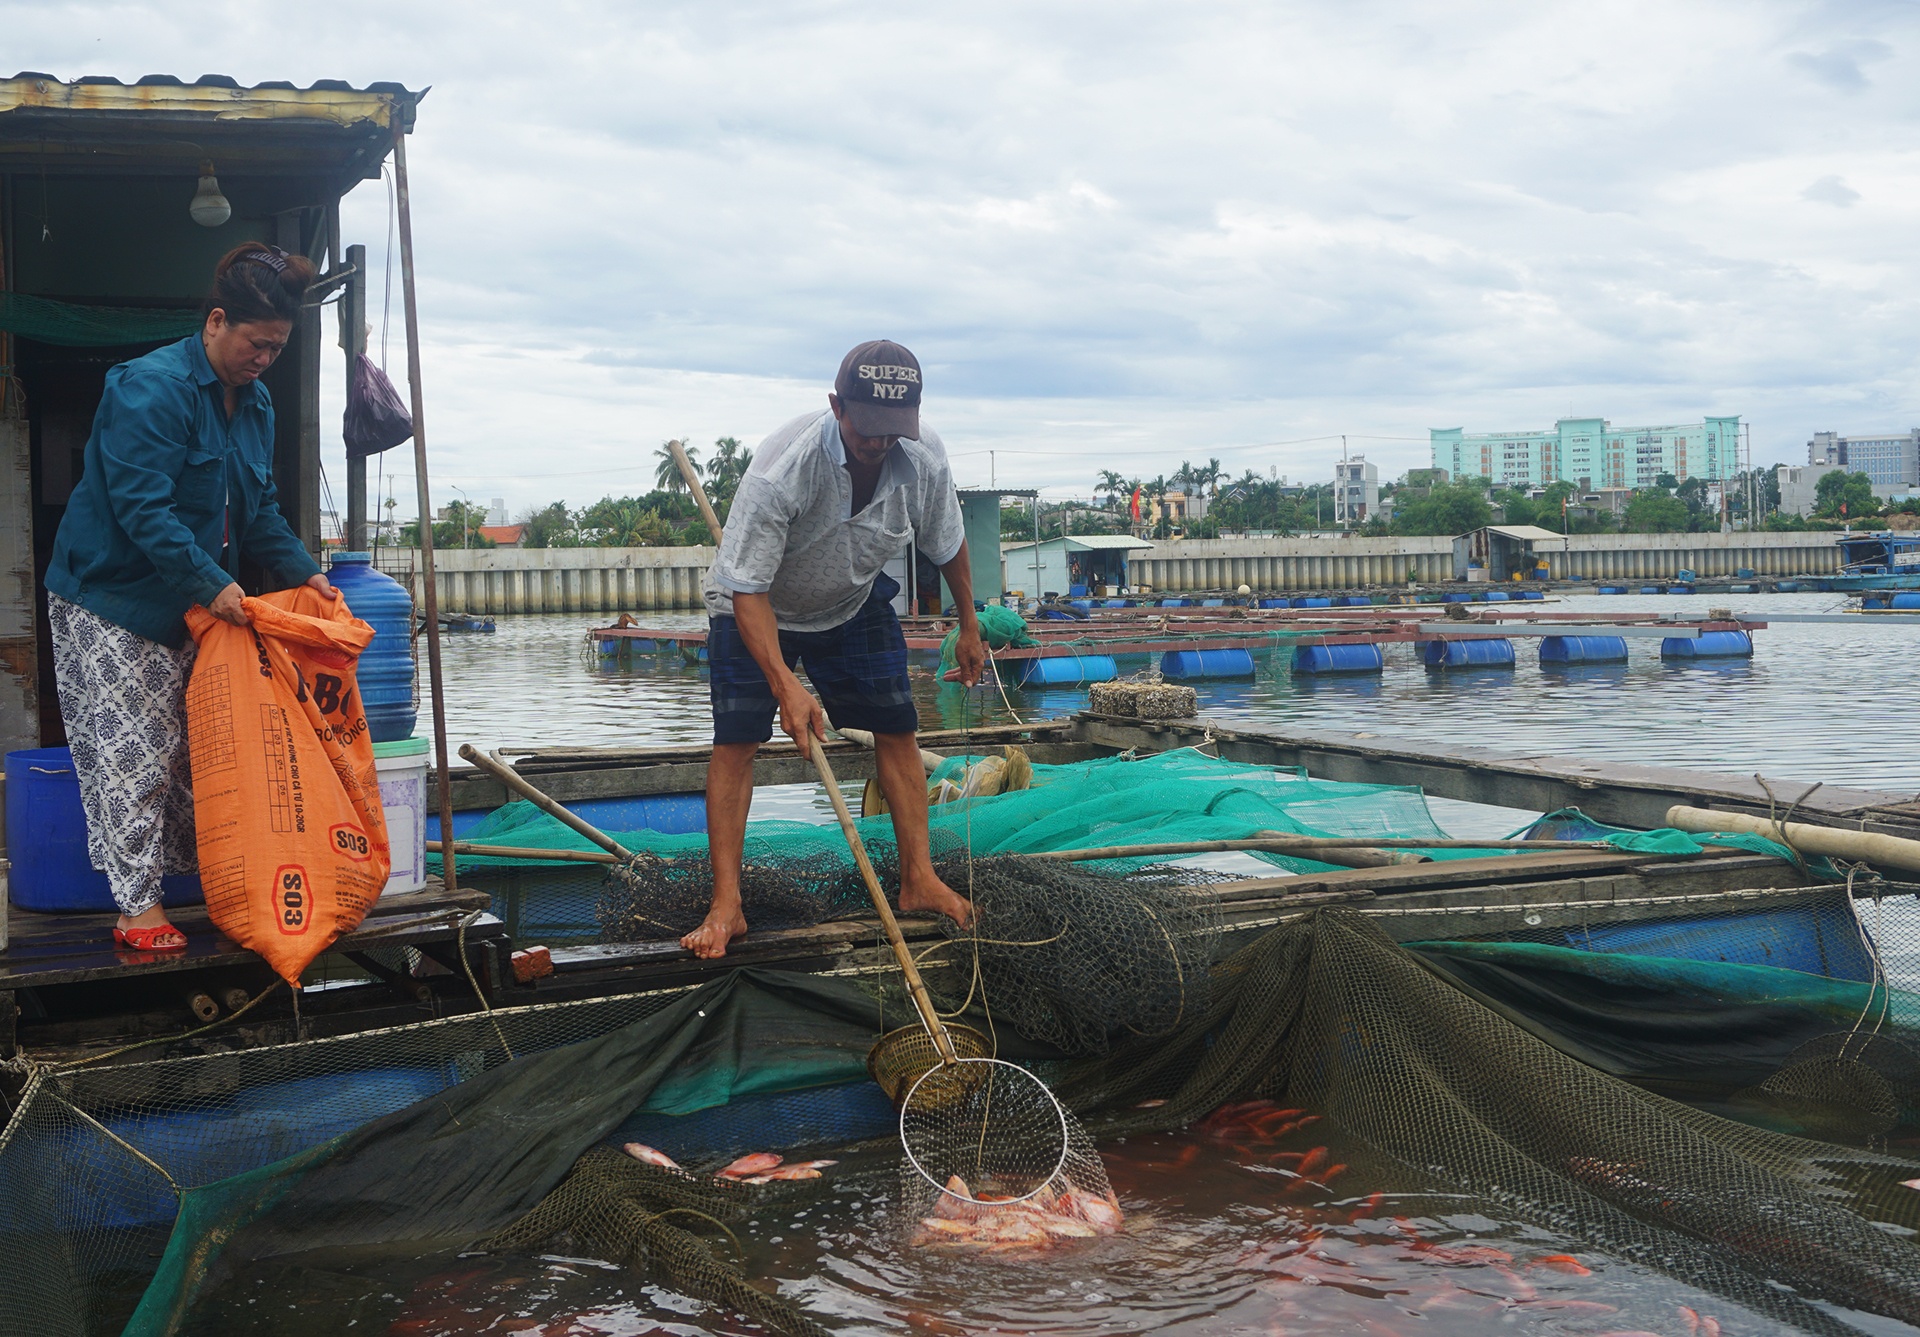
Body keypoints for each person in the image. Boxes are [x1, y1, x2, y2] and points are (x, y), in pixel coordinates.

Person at [43, 242, 338, 951]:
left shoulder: (257, 404)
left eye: (277, 348)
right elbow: (144, 509)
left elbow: (259, 509)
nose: (265, 359)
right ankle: (136, 908)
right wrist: (219, 586)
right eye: (256, 343)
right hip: (112, 597)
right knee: (135, 752)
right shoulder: (150, 389)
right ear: (215, 321)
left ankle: (187, 884)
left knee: (191, 753)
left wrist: (307, 575)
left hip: (192, 606)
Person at [683, 339, 986, 959]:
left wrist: (970, 625)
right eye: (866, 428)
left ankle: (918, 879)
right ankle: (727, 904)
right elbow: (748, 591)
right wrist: (784, 683)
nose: (878, 443)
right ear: (835, 406)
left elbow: (948, 541)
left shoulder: (923, 455)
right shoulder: (783, 469)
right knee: (738, 744)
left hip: (852, 601)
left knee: (899, 730)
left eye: (892, 431)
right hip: (755, 603)